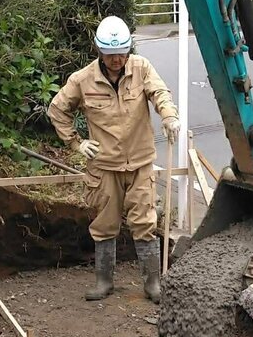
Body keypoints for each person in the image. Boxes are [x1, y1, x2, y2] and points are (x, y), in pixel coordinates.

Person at [48, 15, 180, 304]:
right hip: (104, 167)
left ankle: (153, 283)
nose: (117, 59)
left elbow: (160, 92)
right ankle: (104, 281)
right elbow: (57, 109)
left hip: (140, 163)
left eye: (122, 53)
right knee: (105, 224)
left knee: (145, 222)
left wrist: (169, 116)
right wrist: (76, 143)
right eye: (111, 54)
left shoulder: (141, 68)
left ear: (129, 49)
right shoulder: (82, 80)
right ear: (99, 52)